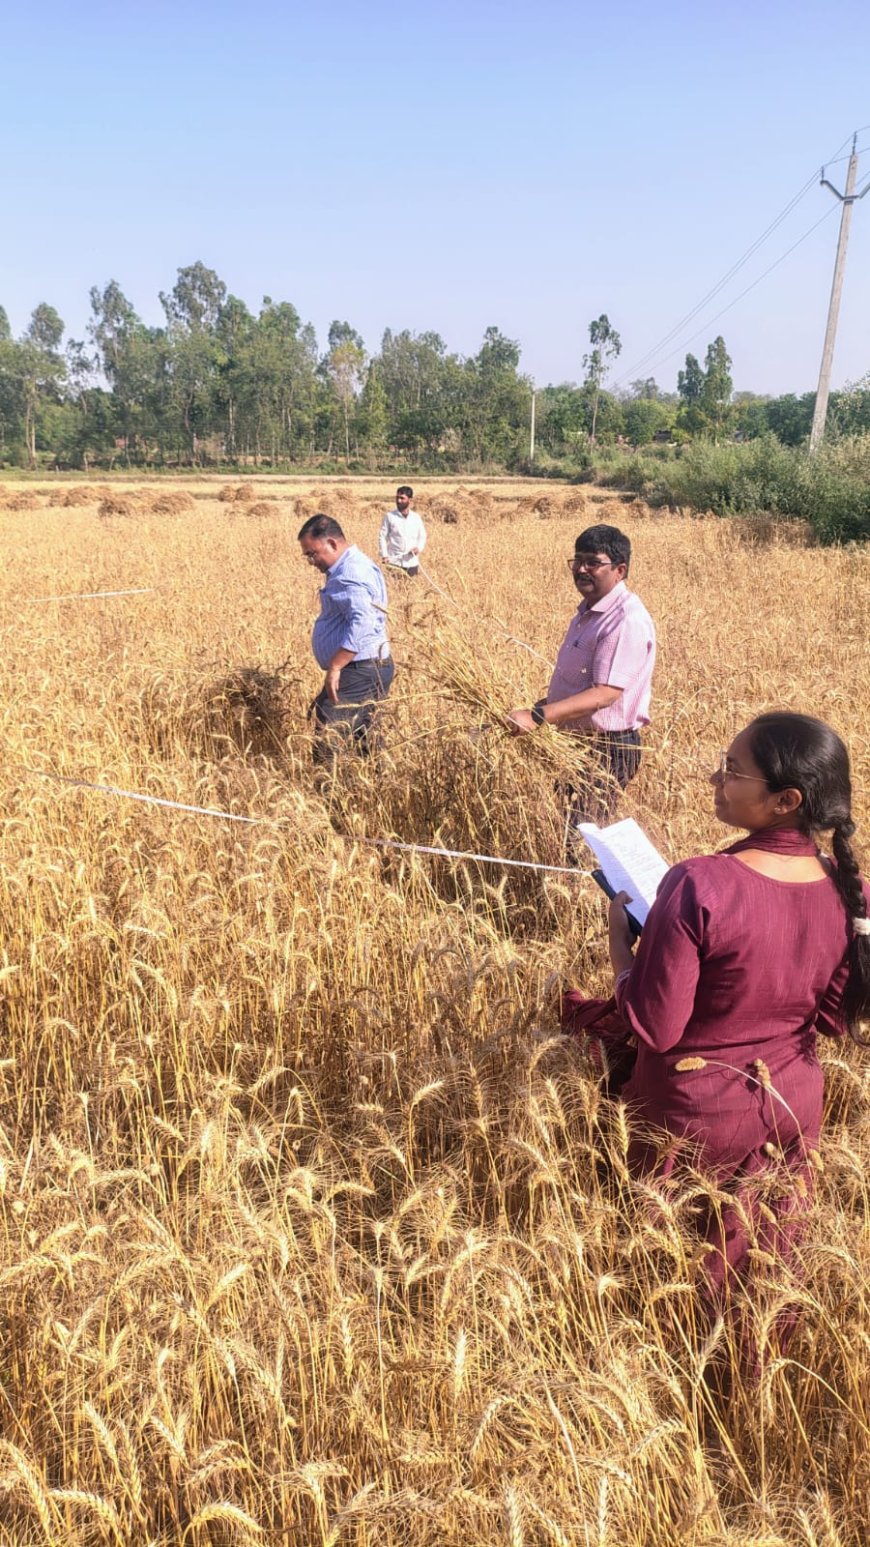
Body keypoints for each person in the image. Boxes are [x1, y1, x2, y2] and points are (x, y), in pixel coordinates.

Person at [595, 712, 870, 1302]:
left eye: (732, 770)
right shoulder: (852, 893)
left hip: (693, 1117)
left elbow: (656, 1027)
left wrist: (622, 950)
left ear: (785, 801)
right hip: (791, 1108)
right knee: (760, 1281)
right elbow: (830, 1019)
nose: (715, 779)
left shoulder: (701, 883)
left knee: (666, 1283)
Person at [508, 524, 655, 828]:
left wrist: (537, 717)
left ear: (620, 570)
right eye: (578, 560)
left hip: (607, 748)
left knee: (583, 836)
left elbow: (605, 693)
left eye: (593, 562)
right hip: (577, 743)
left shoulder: (625, 620)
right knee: (569, 828)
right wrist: (544, 707)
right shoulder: (589, 612)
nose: (581, 569)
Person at [298, 514, 394, 767]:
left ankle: (327, 790)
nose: (311, 561)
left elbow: (363, 621)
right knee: (365, 734)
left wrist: (336, 665)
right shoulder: (353, 565)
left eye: (312, 554)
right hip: (368, 666)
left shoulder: (349, 573)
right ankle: (374, 785)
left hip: (359, 668)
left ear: (331, 543)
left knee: (328, 735)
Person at [379, 486, 427, 577]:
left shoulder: (416, 518)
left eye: (402, 498)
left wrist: (418, 548)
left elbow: (422, 536)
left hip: (412, 562)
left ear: (410, 500)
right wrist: (384, 555)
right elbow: (382, 537)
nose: (398, 501)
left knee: (411, 586)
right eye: (397, 498)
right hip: (394, 562)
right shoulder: (389, 516)